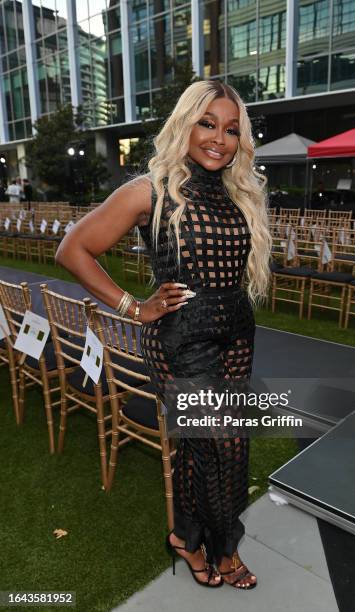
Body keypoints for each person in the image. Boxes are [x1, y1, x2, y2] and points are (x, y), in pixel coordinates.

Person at [55, 79, 272, 590]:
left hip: (236, 333)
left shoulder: (235, 190)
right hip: (180, 338)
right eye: (207, 123)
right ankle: (223, 550)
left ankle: (186, 537)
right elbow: (73, 248)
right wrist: (135, 306)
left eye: (231, 129)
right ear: (185, 125)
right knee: (224, 443)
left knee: (212, 448)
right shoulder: (149, 189)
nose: (219, 138)